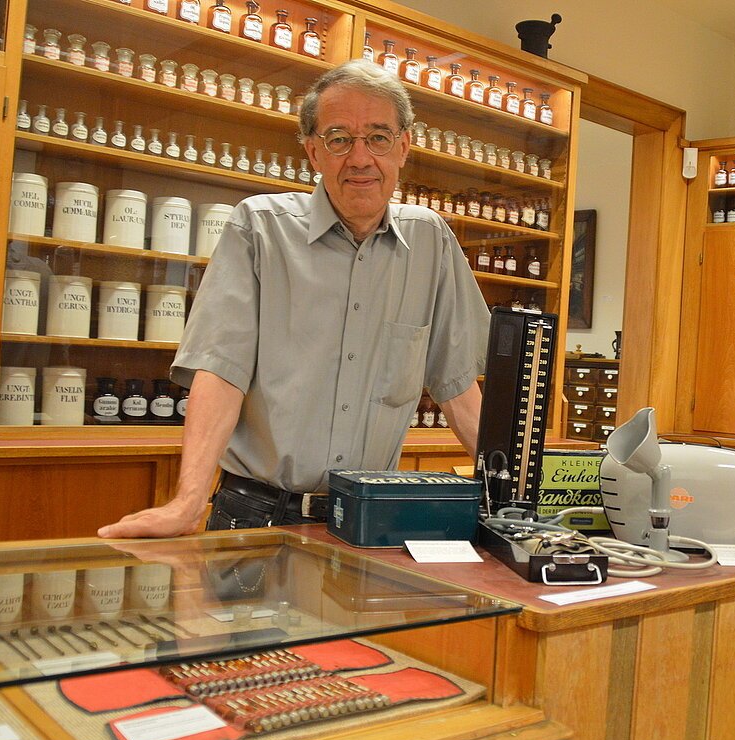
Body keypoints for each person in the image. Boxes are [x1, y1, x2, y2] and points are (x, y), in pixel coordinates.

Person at [98, 60, 490, 539]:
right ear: (313, 152)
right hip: (255, 515)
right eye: (339, 138)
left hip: (368, 520)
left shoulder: (431, 240)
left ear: (404, 146)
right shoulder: (259, 227)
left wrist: (512, 499)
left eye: (379, 137)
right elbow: (222, 371)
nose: (361, 158)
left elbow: (456, 386)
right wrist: (187, 502)